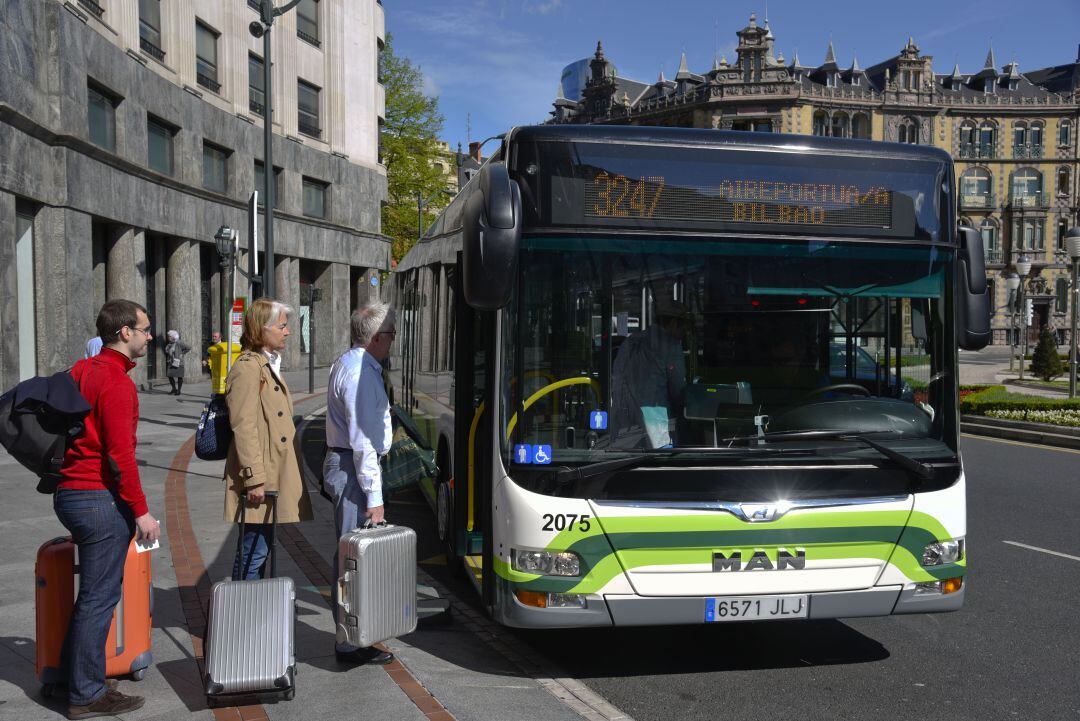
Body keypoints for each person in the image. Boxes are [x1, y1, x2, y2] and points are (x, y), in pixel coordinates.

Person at [56, 299, 161, 719]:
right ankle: (86, 694)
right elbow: (120, 455)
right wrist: (141, 511)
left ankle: (75, 677)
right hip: (97, 497)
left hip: (69, 491)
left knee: (91, 597)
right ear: (124, 332)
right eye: (145, 329)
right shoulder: (116, 383)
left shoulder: (81, 370)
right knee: (100, 598)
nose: (149, 336)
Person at [323, 302, 396, 665]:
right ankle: (351, 642)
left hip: (347, 465)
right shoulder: (361, 374)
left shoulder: (350, 362)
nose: (393, 341)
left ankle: (355, 634)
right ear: (378, 338)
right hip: (352, 469)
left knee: (350, 556)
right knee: (353, 559)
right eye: (392, 335)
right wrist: (375, 495)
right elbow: (364, 440)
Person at [223, 298, 313, 581]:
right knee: (254, 551)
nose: (287, 332)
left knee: (259, 549)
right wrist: (254, 478)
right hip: (261, 477)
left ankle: (252, 613)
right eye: (282, 326)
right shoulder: (248, 367)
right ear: (262, 329)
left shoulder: (265, 364)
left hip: (270, 473)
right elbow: (244, 425)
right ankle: (239, 618)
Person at [609, 296, 688, 448]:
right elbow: (678, 391)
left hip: (622, 427)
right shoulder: (671, 346)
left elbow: (616, 380)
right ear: (673, 323)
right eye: (683, 326)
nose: (684, 332)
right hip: (655, 429)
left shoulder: (630, 341)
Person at [164, 330, 191, 396]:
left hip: (179, 362)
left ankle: (178, 390)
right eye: (168, 336)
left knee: (179, 376)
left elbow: (188, 348)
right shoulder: (170, 344)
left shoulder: (179, 342)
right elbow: (167, 351)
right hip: (171, 361)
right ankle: (174, 389)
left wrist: (182, 353)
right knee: (169, 375)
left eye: (169, 336)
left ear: (173, 336)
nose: (168, 338)